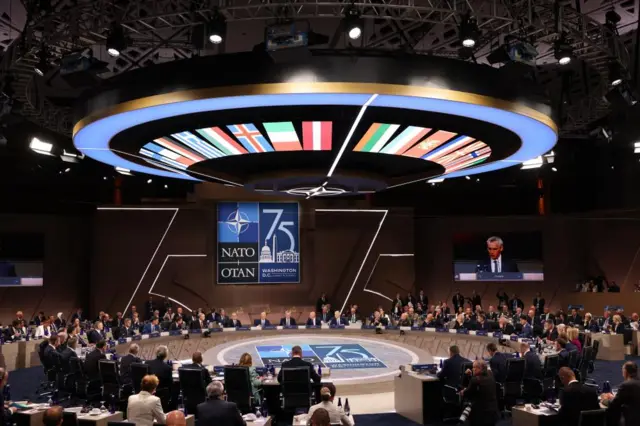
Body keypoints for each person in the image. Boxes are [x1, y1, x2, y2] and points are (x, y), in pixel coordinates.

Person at [460, 360, 499, 426]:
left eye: (474, 367)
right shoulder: (490, 374)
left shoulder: (474, 380)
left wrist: (463, 391)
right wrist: (471, 376)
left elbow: (467, 393)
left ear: (480, 368)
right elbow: (479, 382)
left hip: (479, 415)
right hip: (493, 412)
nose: (473, 369)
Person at [602, 361, 640, 426]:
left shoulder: (625, 385)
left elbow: (614, 404)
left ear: (625, 371)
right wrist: (613, 397)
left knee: (610, 414)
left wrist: (604, 400)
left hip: (630, 421)